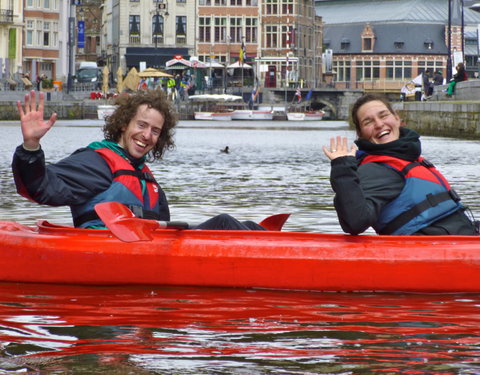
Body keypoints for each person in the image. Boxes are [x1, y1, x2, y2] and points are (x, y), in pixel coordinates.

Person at [12, 89, 265, 231]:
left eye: (155, 131)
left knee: (238, 224)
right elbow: (40, 188)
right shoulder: (96, 162)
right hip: (104, 251)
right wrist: (31, 146)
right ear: (123, 124)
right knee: (223, 222)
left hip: (145, 250)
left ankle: (270, 241)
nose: (147, 135)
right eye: (141, 125)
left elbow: (163, 229)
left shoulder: (149, 182)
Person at [322, 93, 477, 236]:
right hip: (431, 253)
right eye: (368, 122)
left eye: (383, 115)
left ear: (397, 118)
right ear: (360, 133)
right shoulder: (376, 170)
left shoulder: (408, 158)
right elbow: (355, 222)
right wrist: (343, 169)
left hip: (461, 240)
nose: (379, 124)